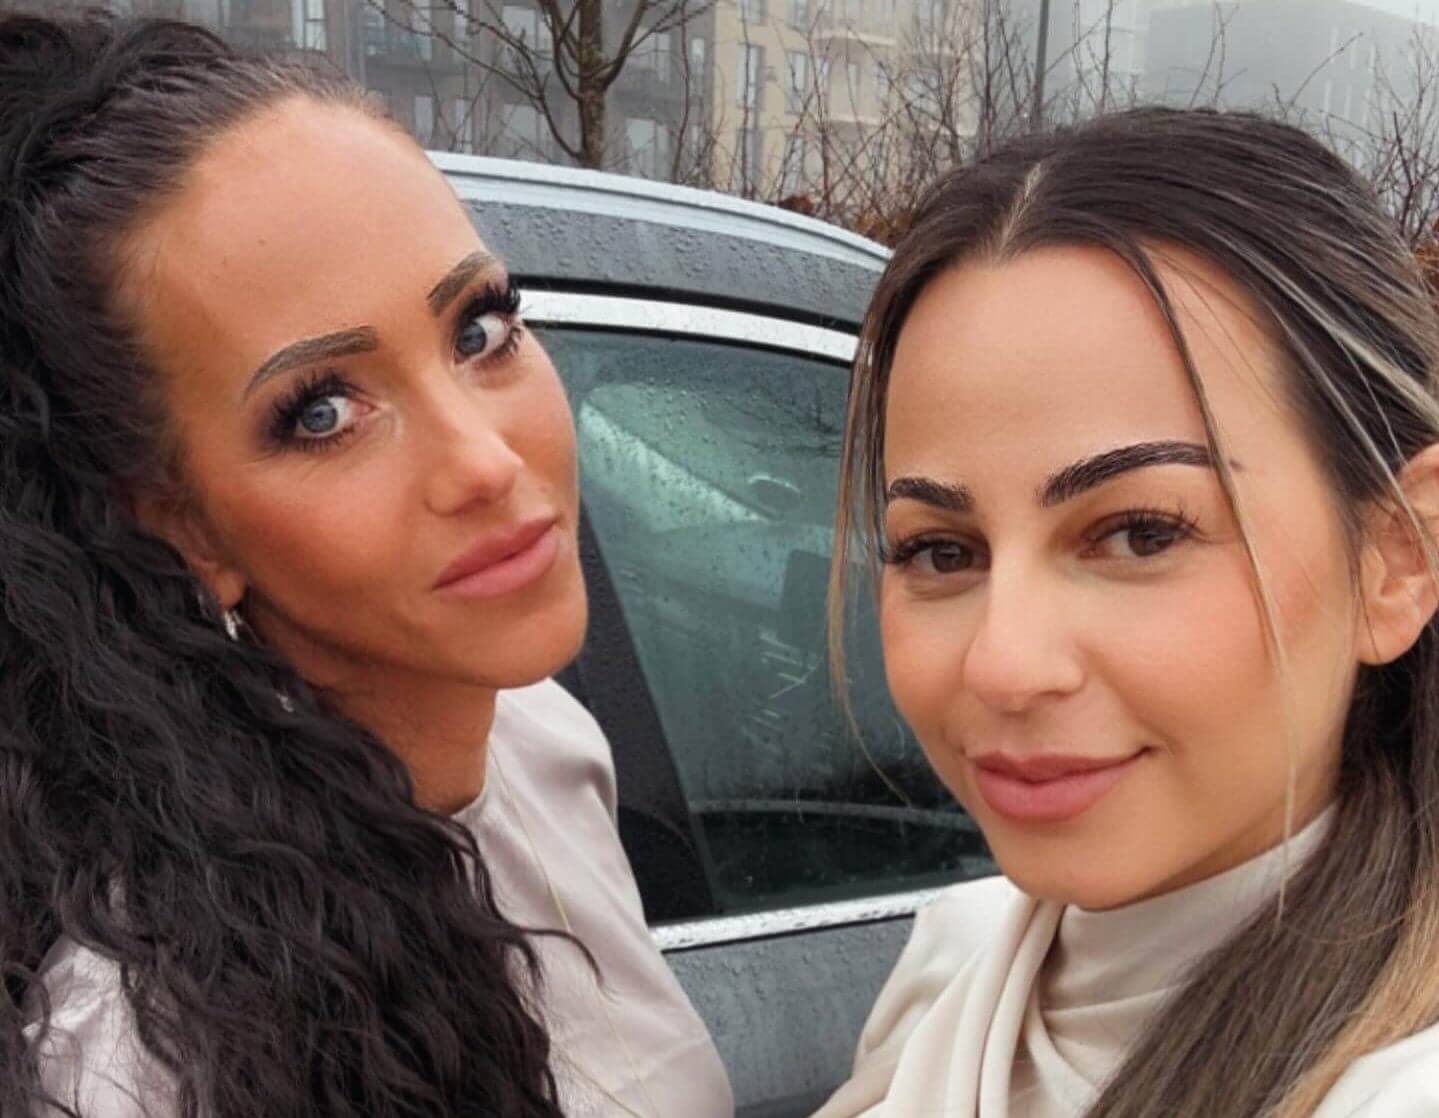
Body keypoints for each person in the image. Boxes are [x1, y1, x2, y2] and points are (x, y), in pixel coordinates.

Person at [0, 13, 733, 1118]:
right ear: (183, 527)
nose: (485, 461)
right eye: (323, 412)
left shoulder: (545, 742)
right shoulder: (140, 1054)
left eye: (478, 330)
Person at [816, 108, 1439, 1117]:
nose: (1003, 664)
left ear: (1396, 558)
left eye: (1139, 533)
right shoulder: (955, 959)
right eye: (941, 551)